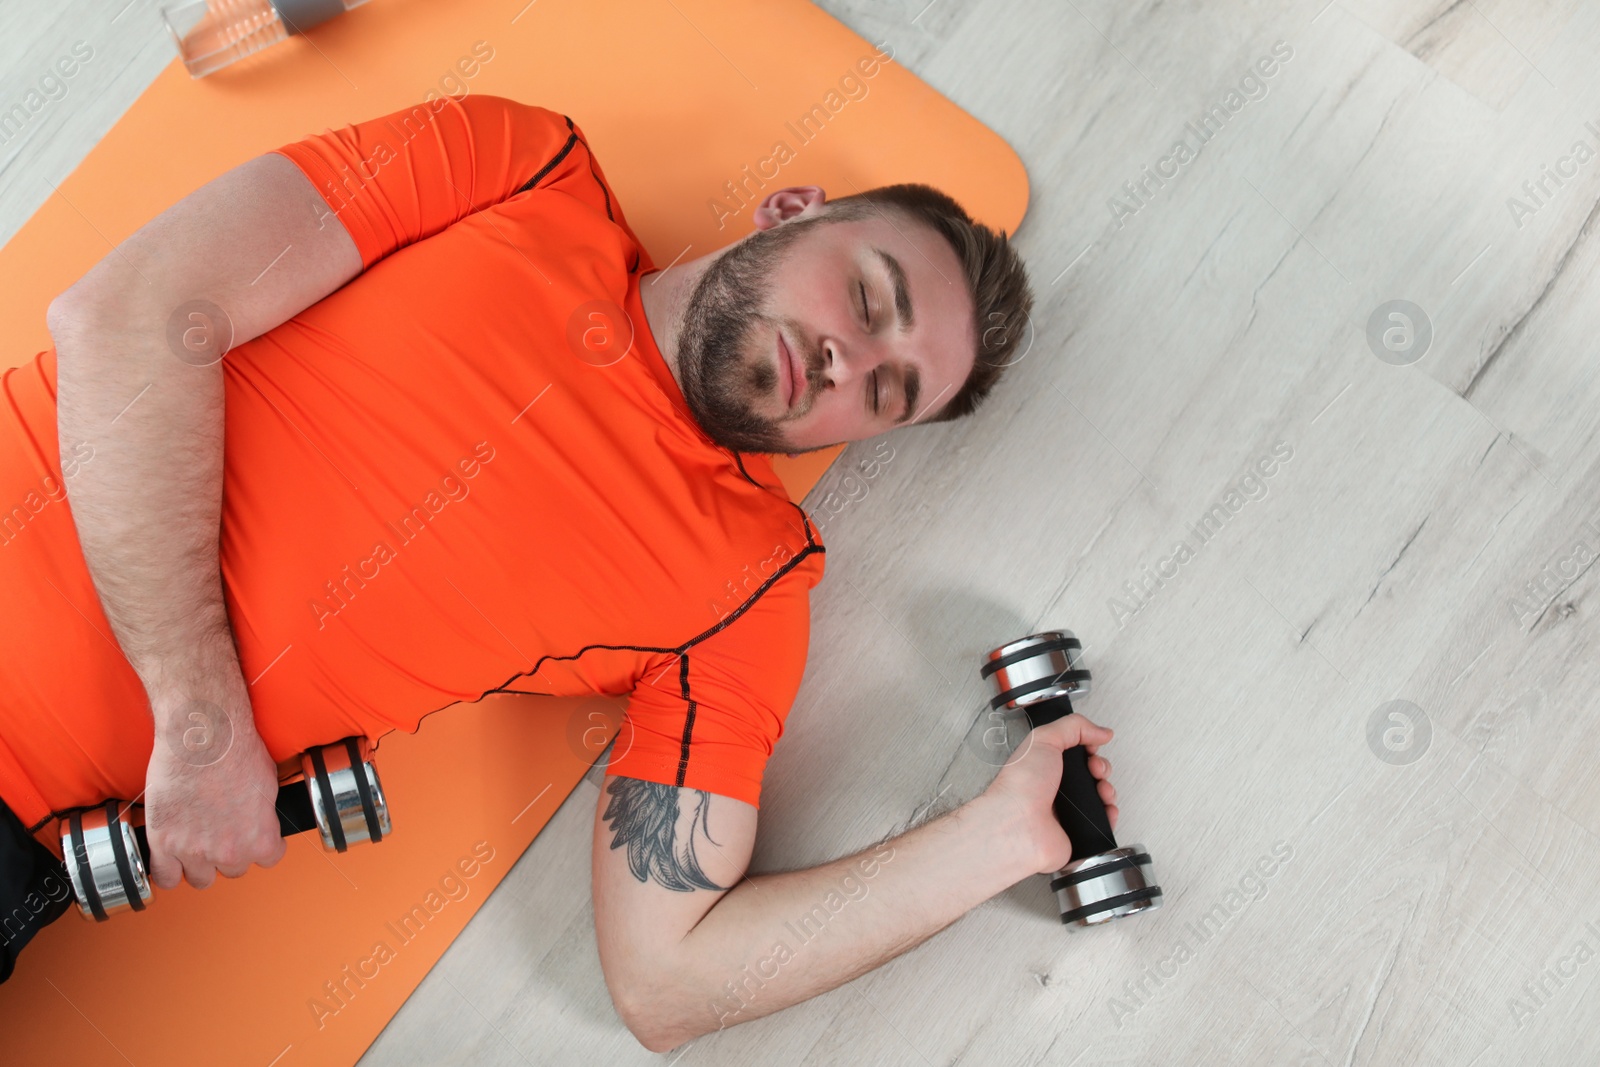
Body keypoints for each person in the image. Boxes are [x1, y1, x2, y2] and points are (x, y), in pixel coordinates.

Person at [0, 91, 1120, 1047]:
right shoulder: (518, 166)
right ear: (792, 211)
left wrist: (994, 838)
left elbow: (665, 981)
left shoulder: (745, 588)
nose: (846, 360)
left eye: (884, 392)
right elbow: (127, 317)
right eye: (868, 299)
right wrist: (198, 723)